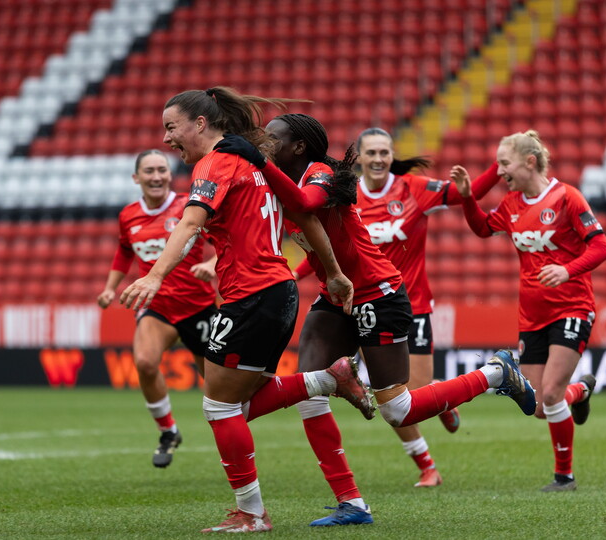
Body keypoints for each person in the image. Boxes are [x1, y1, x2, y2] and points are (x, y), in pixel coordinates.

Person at [215, 116, 537, 525]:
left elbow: (308, 205)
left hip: (379, 293)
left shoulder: (321, 173)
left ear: (297, 147)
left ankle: (495, 373)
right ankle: (352, 503)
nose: (264, 143)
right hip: (337, 295)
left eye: (272, 138)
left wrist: (260, 165)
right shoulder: (278, 183)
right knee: (309, 390)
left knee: (398, 410)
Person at [120, 87, 371, 533]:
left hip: (252, 296)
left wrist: (154, 275)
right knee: (241, 403)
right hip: (274, 291)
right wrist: (332, 272)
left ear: (200, 123)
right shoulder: (253, 164)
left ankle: (252, 514)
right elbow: (305, 216)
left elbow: (192, 222)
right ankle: (327, 379)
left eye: (171, 127)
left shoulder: (216, 164)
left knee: (220, 407)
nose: (166, 139)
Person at [451, 130, 606, 492]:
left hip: (573, 306)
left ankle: (564, 477)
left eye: (504, 163)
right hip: (531, 316)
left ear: (529, 161)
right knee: (540, 405)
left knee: (551, 393)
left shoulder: (567, 197)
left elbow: (601, 247)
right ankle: (581, 391)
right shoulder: (511, 204)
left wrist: (568, 270)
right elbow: (481, 228)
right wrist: (465, 199)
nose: (499, 171)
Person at [347, 126, 503, 487]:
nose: (378, 159)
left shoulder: (413, 189)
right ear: (359, 156)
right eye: (371, 153)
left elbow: (467, 192)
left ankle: (443, 399)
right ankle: (427, 466)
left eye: (384, 152)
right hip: (367, 306)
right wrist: (296, 272)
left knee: (412, 394)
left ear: (391, 155)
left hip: (412, 305)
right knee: (391, 402)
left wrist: (499, 165)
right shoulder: (349, 196)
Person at [97, 149, 219, 468]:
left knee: (220, 389)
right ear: (136, 178)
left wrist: (212, 263)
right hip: (158, 307)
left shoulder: (188, 208)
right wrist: (111, 287)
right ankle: (168, 431)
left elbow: (225, 240)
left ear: (170, 175)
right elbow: (124, 251)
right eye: (148, 171)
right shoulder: (128, 216)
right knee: (145, 363)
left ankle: (231, 442)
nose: (156, 176)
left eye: (161, 170)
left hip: (199, 307)